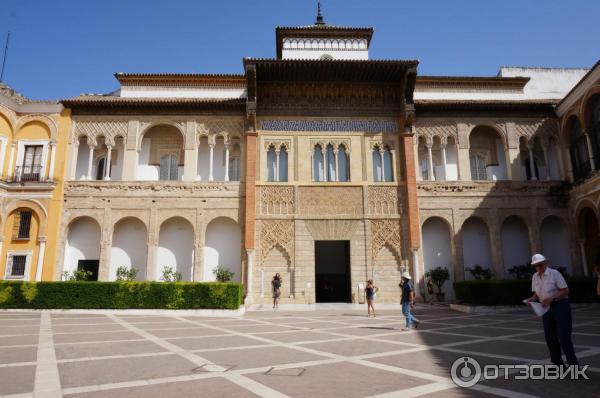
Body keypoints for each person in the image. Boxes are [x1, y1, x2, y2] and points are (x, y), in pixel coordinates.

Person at [524, 253, 579, 367]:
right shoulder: (535, 277)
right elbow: (536, 294)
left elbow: (565, 290)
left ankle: (574, 366)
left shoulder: (554, 274)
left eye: (540, 264)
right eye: (536, 266)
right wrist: (531, 299)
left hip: (560, 306)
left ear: (546, 263)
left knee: (564, 337)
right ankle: (558, 365)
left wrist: (552, 298)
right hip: (546, 308)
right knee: (550, 337)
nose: (539, 267)